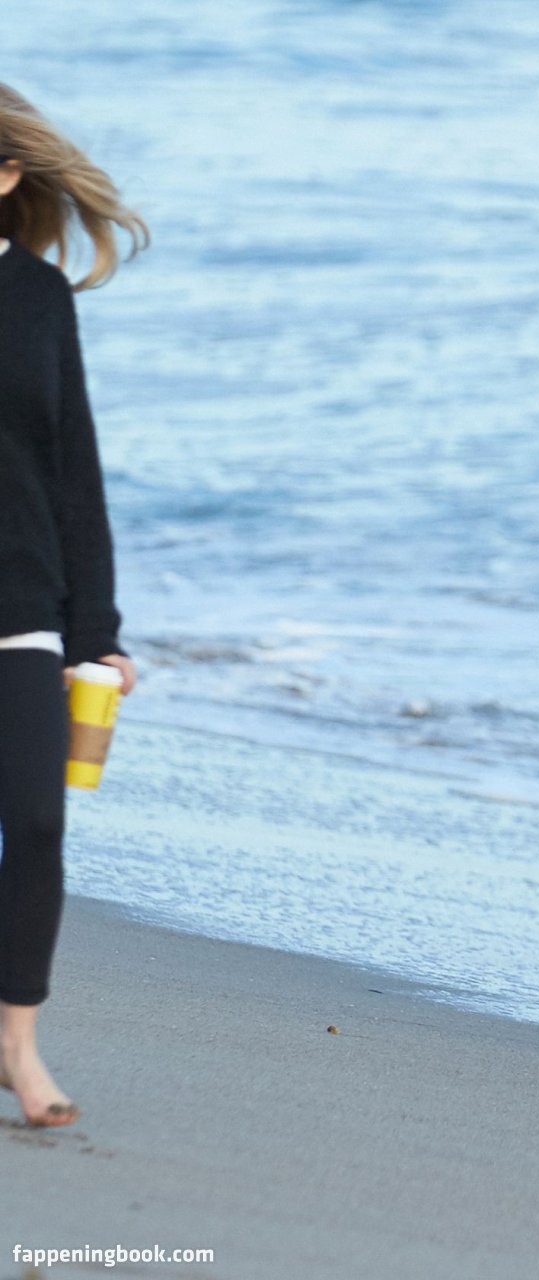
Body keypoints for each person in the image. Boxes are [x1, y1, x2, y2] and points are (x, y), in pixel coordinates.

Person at [0, 82, 146, 1129]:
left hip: (20, 599)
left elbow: (74, 468)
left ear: (8, 174)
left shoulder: (39, 295)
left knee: (39, 822)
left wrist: (98, 630)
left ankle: (17, 1045)